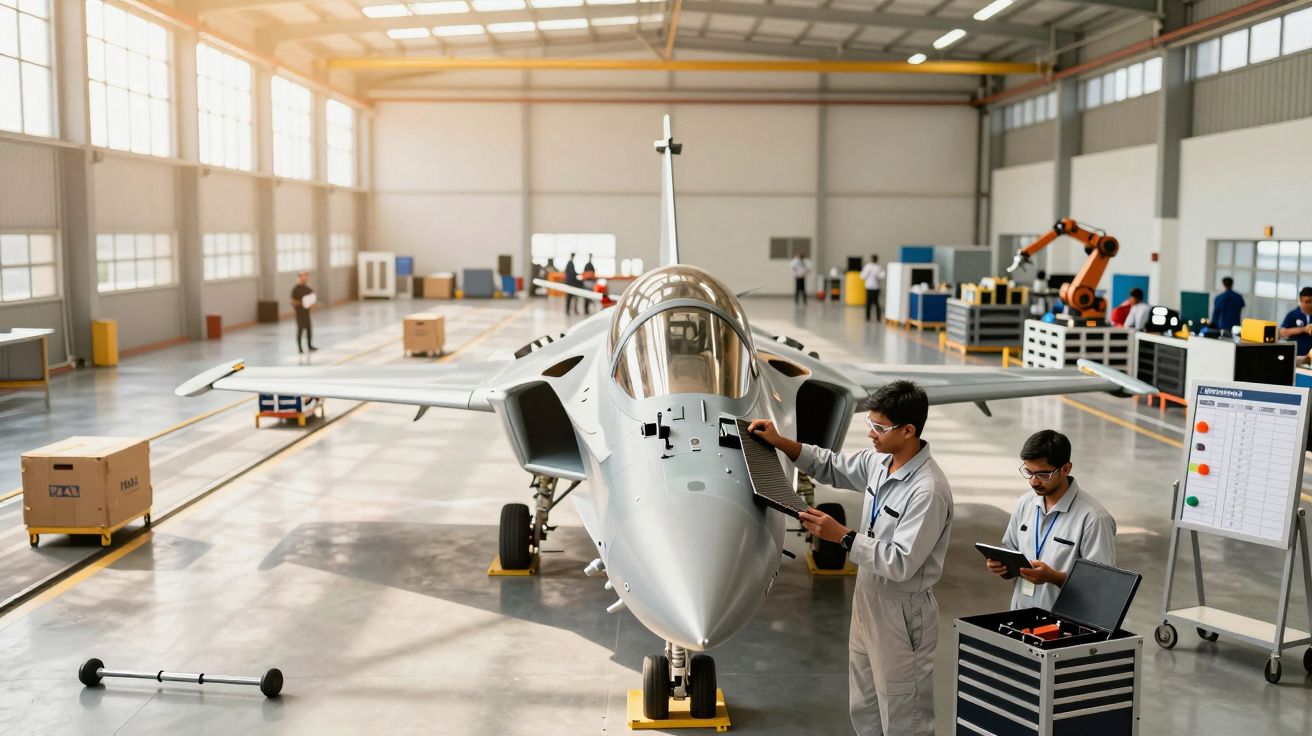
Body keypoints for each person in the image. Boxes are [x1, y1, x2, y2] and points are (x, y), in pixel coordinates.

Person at [747, 381, 951, 736]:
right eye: (869, 423)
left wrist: (842, 535)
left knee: (904, 715)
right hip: (867, 598)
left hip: (902, 612)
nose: (870, 433)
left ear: (908, 430)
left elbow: (901, 563)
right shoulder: (880, 462)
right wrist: (781, 443)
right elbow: (831, 466)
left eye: (879, 427)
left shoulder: (927, 491)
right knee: (864, 704)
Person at [985, 430, 1116, 611]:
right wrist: (1002, 566)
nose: (1033, 482)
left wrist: (1054, 577)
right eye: (1029, 472)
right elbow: (1010, 550)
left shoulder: (1094, 518)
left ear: (1066, 469)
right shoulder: (1025, 503)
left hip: (1064, 622)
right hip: (1020, 615)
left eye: (1043, 474)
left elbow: (1101, 583)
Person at [1280, 287, 1312, 358]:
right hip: (1296, 355)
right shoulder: (1292, 315)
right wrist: (1304, 329)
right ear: (1301, 301)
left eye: (1311, 302)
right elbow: (1283, 332)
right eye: (1307, 302)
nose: (1309, 305)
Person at [290, 271, 317, 353]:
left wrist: (311, 304)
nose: (305, 278)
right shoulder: (295, 289)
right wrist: (301, 304)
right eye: (303, 277)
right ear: (299, 278)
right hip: (299, 312)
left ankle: (309, 346)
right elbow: (292, 301)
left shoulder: (308, 289)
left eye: (306, 277)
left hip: (306, 312)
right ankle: (300, 348)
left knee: (309, 329)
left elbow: (312, 299)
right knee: (300, 329)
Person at [860, 254, 884, 322]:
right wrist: (867, 273)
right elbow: (862, 276)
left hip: (876, 288)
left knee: (877, 303)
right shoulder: (867, 267)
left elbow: (882, 276)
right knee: (868, 303)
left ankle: (878, 318)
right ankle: (867, 317)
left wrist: (877, 275)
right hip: (869, 287)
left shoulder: (879, 267)